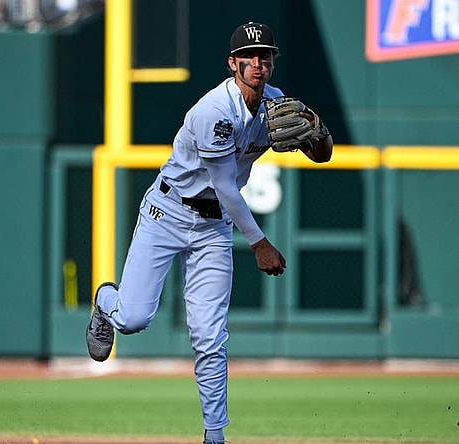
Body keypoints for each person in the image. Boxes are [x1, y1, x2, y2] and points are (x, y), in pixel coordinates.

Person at [85, 21, 333, 444]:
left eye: (265, 56)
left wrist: (317, 131)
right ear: (232, 64)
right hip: (167, 212)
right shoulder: (213, 112)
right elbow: (224, 186)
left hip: (213, 227)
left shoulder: (275, 105)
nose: (258, 63)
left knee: (210, 337)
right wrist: (260, 242)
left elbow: (323, 155)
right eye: (249, 57)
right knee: (134, 318)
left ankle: (215, 436)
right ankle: (106, 301)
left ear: (273, 61)